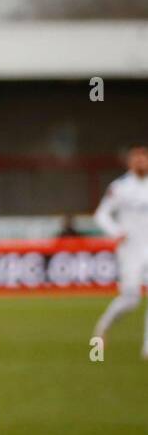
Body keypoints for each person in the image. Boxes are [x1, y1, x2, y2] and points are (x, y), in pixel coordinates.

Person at [91, 145, 148, 358]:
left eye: (144, 158)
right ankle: (103, 326)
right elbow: (101, 214)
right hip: (130, 250)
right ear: (130, 162)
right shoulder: (120, 187)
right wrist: (116, 231)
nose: (141, 162)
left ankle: (147, 347)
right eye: (137, 159)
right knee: (131, 299)